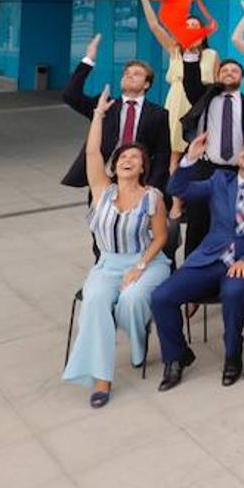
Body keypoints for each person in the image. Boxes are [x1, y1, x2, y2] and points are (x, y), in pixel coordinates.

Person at [153, 132, 244, 390]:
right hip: (210, 257)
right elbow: (177, 189)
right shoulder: (219, 180)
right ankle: (177, 357)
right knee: (161, 297)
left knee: (233, 290)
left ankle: (232, 356)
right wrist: (189, 159)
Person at [62, 86, 171, 407]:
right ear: (116, 164)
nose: (128, 160)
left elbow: (162, 237)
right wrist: (97, 115)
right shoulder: (102, 191)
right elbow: (93, 153)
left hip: (147, 261)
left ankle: (138, 344)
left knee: (133, 299)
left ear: (143, 168)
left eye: (135, 158)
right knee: (95, 302)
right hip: (107, 264)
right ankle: (101, 377)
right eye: (123, 156)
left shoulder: (153, 197)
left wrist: (139, 268)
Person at [178, 56, 244, 256]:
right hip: (205, 169)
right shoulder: (205, 98)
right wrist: (191, 56)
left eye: (234, 71)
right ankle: (191, 273)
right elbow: (190, 82)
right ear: (217, 76)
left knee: (233, 225)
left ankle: (225, 273)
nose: (229, 73)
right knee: (198, 224)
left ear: (242, 78)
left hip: (239, 172)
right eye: (224, 71)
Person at [61, 33, 171, 196]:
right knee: (102, 221)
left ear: (147, 84)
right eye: (126, 73)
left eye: (136, 74)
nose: (129, 76)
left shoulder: (158, 114)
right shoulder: (105, 106)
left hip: (139, 180)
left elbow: (163, 154)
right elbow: (69, 95)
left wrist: (152, 186)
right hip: (104, 176)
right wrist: (88, 59)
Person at [133, 0, 218, 177]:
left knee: (200, 150)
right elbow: (155, 26)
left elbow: (217, 84)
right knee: (175, 153)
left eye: (195, 25)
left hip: (201, 103)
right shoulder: (175, 50)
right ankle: (175, 198)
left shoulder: (211, 55)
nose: (190, 28)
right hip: (178, 100)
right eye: (187, 24)